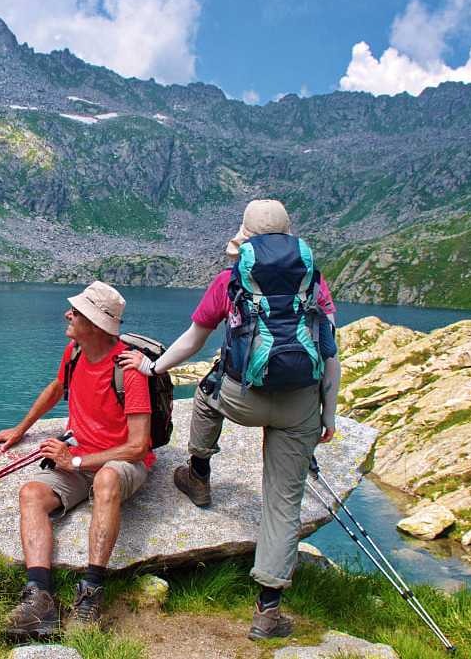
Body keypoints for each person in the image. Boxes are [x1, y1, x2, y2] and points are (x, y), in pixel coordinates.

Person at [118, 199, 342, 642]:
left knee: (204, 395)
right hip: (299, 406)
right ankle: (268, 610)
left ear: (244, 237)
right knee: (282, 502)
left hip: (241, 399)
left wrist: (153, 368)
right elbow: (331, 355)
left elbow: (193, 339)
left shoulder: (230, 281)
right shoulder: (314, 283)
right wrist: (327, 415)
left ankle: (198, 472)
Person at [0, 281, 152, 638]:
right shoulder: (75, 351)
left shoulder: (129, 371)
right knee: (31, 493)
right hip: (78, 458)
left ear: (94, 324)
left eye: (76, 312)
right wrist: (20, 429)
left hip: (117, 461)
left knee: (107, 480)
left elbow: (139, 447)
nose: (67, 314)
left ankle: (90, 593)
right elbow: (56, 388)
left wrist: (76, 463)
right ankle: (39, 599)